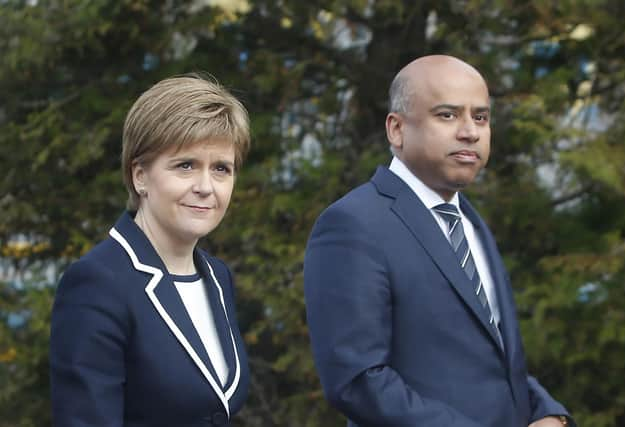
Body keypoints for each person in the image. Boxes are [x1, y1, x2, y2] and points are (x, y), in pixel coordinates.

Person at [304, 55, 575, 427]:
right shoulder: (352, 224)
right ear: (396, 129)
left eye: (480, 117)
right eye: (447, 115)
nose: (470, 132)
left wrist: (547, 412)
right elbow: (357, 381)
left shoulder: (470, 223)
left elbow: (494, 362)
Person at [50, 74, 250, 427]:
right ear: (140, 175)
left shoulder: (218, 278)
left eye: (221, 169)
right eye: (186, 165)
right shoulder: (97, 283)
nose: (206, 187)